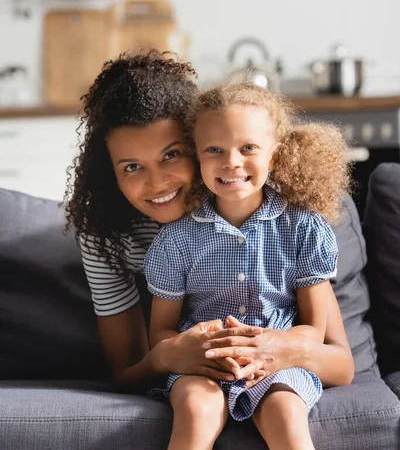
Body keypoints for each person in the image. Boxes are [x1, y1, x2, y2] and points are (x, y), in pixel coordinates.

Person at [65, 50, 353, 403]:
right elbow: (127, 375)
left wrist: (279, 350)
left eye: (172, 154)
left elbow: (340, 362)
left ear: (200, 148)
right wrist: (167, 356)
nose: (157, 183)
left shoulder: (277, 223)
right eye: (131, 167)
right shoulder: (105, 238)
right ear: (111, 174)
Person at [144, 81, 351, 450]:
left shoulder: (303, 228)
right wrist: (188, 349)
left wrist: (276, 347)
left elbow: (314, 331)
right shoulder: (175, 240)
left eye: (248, 148)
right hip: (203, 363)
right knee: (196, 407)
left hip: (280, 362)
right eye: (214, 150)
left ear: (275, 155)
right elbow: (160, 331)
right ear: (197, 156)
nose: (231, 162)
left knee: (285, 412)